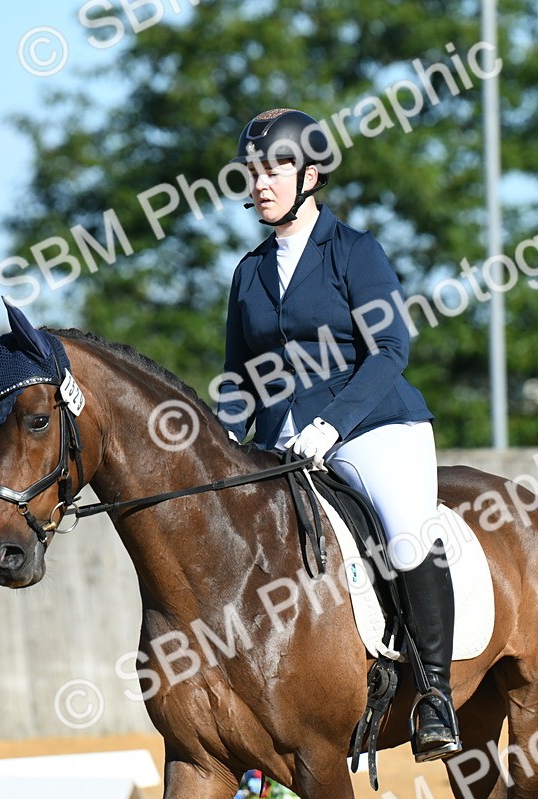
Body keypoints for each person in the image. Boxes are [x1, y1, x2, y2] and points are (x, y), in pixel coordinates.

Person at [214, 108, 460, 762]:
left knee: (405, 533)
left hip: (372, 425)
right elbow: (240, 379)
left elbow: (390, 349)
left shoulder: (356, 251)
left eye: (274, 168)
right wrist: (224, 449)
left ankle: (435, 693)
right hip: (278, 444)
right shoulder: (248, 272)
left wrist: (331, 423)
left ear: (310, 174)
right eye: (252, 170)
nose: (260, 182)